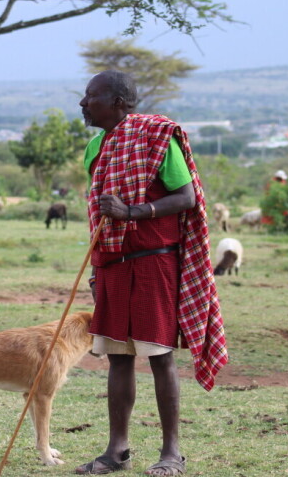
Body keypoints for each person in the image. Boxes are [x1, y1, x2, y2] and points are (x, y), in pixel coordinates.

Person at [76, 70, 227, 476]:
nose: (83, 103)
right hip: (111, 264)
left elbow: (186, 196)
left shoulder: (157, 137)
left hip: (153, 261)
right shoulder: (95, 147)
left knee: (159, 355)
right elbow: (99, 215)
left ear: (119, 101)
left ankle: (171, 454)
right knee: (118, 359)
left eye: (92, 96)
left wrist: (133, 213)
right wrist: (96, 268)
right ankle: (116, 452)